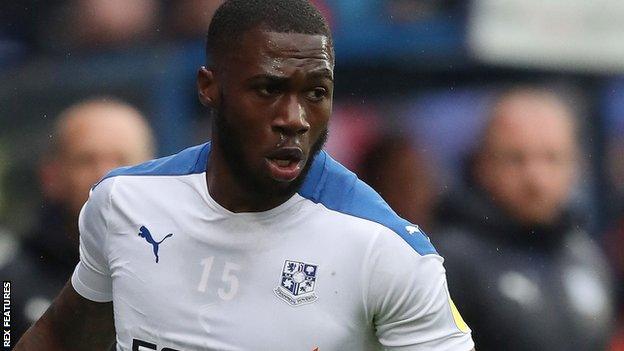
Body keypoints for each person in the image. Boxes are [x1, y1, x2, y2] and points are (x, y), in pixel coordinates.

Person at [16, 1, 475, 350]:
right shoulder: (124, 202)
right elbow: (62, 333)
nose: (294, 117)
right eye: (268, 88)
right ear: (209, 88)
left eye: (316, 92)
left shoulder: (389, 251)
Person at [434, 87, 614, 351]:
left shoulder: (586, 256)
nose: (536, 179)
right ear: (484, 164)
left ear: (576, 166)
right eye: (517, 159)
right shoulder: (446, 262)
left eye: (551, 159)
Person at [2, 97, 155, 342]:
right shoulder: (9, 284)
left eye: (121, 160)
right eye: (86, 160)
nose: (105, 175)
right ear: (51, 175)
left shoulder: (184, 268)